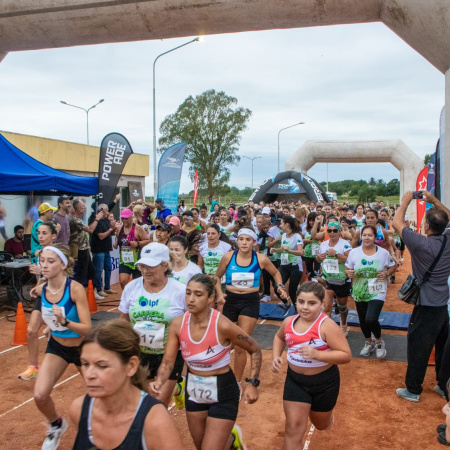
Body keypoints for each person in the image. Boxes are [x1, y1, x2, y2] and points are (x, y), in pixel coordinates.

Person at [150, 274, 261, 450]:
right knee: (202, 446)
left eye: (198, 294)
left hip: (223, 389)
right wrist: (159, 380)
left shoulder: (222, 325)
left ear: (211, 298)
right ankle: (232, 442)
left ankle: (229, 440)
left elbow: (254, 349)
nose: (191, 299)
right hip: (194, 389)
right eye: (188, 293)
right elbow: (168, 362)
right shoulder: (178, 324)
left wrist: (253, 383)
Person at [70, 320, 185, 450]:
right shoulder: (79, 410)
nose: (89, 374)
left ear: (131, 366)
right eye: (85, 364)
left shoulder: (155, 421)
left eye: (102, 366)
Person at [272, 281, 352, 450]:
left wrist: (318, 355)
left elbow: (346, 355)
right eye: (301, 302)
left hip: (324, 383)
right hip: (295, 382)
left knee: (321, 424)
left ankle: (327, 419)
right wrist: (276, 356)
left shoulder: (327, 326)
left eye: (312, 303)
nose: (305, 307)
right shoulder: (288, 322)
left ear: (322, 304)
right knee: (293, 427)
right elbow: (280, 338)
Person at [392, 191, 450, 402]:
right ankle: (444, 386)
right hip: (443, 304)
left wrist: (407, 199)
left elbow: (396, 222)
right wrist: (434, 201)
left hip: (426, 305)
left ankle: (413, 390)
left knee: (418, 346)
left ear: (426, 226)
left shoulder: (420, 243)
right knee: (444, 347)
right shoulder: (448, 240)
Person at [32, 244, 91, 449]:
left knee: (99, 395)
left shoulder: (75, 289)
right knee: (40, 395)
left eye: (51, 261)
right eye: (43, 261)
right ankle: (56, 425)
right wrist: (51, 326)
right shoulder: (42, 289)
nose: (45, 265)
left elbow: (87, 328)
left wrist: (65, 322)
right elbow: (47, 314)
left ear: (63, 264)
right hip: (58, 346)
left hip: (83, 348)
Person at [215, 227, 287, 395]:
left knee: (241, 345)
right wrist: (219, 294)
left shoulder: (260, 259)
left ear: (254, 242)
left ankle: (237, 384)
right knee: (224, 342)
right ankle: (219, 375)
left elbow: (276, 273)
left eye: (248, 239)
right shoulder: (228, 257)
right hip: (230, 300)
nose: (244, 242)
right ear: (237, 241)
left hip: (250, 302)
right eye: (241, 239)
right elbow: (216, 277)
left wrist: (280, 286)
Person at [118, 243, 187, 406]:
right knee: (139, 402)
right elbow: (124, 320)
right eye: (142, 265)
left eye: (151, 266)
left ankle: (175, 385)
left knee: (157, 405)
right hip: (140, 353)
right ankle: (178, 388)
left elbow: (191, 323)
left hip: (169, 355)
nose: (145, 270)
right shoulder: (131, 287)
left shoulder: (180, 290)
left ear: (165, 266)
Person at [345, 225, 396, 358]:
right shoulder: (354, 252)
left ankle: (379, 341)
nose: (367, 238)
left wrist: (386, 274)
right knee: (362, 320)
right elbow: (347, 268)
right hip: (359, 290)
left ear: (375, 237)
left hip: (377, 290)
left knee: (371, 318)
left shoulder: (383, 253)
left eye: (370, 235)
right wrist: (348, 273)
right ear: (361, 236)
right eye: (364, 235)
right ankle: (368, 342)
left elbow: (392, 266)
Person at [19, 221, 59, 381]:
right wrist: (37, 287)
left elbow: (63, 276)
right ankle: (33, 367)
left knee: (60, 333)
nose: (40, 236)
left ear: (53, 236)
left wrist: (41, 272)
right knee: (31, 331)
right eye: (39, 233)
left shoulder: (57, 253)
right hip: (44, 295)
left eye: (44, 233)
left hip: (57, 296)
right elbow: (43, 278)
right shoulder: (40, 253)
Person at [316, 220, 352, 336]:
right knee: (326, 306)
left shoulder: (345, 244)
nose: (332, 233)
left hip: (342, 280)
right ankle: (327, 331)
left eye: (335, 231)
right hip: (327, 279)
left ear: (339, 232)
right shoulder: (323, 244)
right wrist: (319, 258)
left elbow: (350, 260)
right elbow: (318, 260)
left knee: (342, 306)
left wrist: (336, 254)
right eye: (329, 231)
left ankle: (344, 324)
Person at [114, 208, 150, 291]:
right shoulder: (119, 229)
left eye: (126, 218)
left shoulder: (138, 229)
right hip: (124, 260)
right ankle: (126, 297)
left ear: (131, 217)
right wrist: (115, 244)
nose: (124, 220)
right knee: (122, 281)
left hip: (137, 260)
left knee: (138, 283)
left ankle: (136, 299)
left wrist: (137, 243)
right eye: (122, 218)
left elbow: (148, 240)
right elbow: (117, 237)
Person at [273, 215, 304, 310]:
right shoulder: (283, 236)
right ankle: (286, 303)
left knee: (292, 290)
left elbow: (301, 252)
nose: (280, 225)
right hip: (284, 266)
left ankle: (297, 310)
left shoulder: (297, 236)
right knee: (277, 287)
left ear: (287, 224)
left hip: (295, 266)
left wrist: (289, 250)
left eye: (281, 223)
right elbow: (283, 250)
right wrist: (276, 250)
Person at [89, 204, 120, 297]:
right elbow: (101, 236)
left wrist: (114, 228)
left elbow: (109, 233)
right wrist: (111, 229)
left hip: (106, 249)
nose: (107, 213)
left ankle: (107, 287)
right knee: (98, 270)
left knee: (108, 268)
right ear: (102, 211)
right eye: (106, 211)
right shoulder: (96, 221)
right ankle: (98, 288)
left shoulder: (106, 220)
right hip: (98, 249)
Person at [69, 199, 99, 295]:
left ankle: (91, 291)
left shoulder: (78, 219)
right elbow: (90, 230)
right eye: (83, 206)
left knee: (91, 271)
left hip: (84, 249)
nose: (85, 208)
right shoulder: (74, 219)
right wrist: (97, 219)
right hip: (80, 250)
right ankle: (78, 294)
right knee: (82, 273)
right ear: (78, 208)